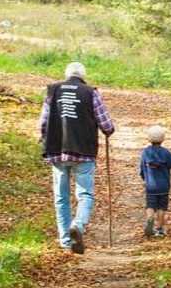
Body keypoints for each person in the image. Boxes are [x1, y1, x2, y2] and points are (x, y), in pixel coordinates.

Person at [38, 61, 115, 254]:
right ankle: (78, 226)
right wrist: (108, 130)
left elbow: (43, 123)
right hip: (83, 150)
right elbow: (107, 126)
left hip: (56, 149)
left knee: (61, 197)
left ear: (66, 75)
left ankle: (65, 240)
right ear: (83, 76)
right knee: (85, 194)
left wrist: (45, 139)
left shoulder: (52, 91)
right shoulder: (90, 92)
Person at [138, 125, 171, 238]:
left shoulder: (145, 152)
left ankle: (150, 219)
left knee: (150, 205)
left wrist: (145, 179)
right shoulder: (165, 152)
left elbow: (142, 169)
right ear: (163, 138)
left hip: (150, 185)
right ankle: (159, 229)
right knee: (162, 207)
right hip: (164, 186)